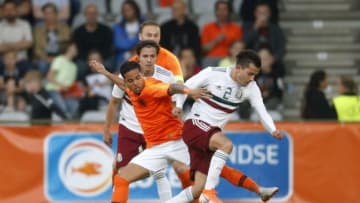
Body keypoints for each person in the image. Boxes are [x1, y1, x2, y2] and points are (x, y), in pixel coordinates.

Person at [167, 50, 282, 203]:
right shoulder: (212, 74)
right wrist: (180, 106)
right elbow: (184, 88)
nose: (252, 78)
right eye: (249, 73)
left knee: (197, 189)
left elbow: (262, 111)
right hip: (195, 124)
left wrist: (273, 129)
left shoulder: (251, 87)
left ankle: (254, 190)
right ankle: (211, 190)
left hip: (209, 135)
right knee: (226, 145)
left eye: (255, 75)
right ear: (238, 67)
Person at [89, 59, 208, 203]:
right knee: (121, 178)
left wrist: (189, 91)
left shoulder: (152, 88)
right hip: (156, 148)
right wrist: (104, 72)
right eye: (131, 81)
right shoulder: (130, 89)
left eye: (138, 78)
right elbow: (120, 82)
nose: (136, 83)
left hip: (176, 142)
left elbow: (172, 88)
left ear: (142, 75)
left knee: (203, 180)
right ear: (127, 83)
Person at [103, 40, 189, 200]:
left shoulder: (166, 76)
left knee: (161, 171)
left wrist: (179, 119)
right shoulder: (127, 74)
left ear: (157, 57)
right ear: (139, 58)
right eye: (145, 56)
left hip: (156, 131)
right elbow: (114, 101)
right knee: (121, 173)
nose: (148, 60)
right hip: (129, 128)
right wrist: (106, 129)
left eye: (152, 56)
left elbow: (175, 103)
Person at [72, 4, 114, 79]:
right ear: (85, 15)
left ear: (97, 15)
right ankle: (84, 87)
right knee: (80, 67)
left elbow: (108, 47)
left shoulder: (106, 30)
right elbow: (78, 50)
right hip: (85, 59)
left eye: (94, 13)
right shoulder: (78, 32)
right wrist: (91, 59)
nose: (91, 16)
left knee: (110, 64)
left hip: (103, 57)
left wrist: (98, 58)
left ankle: (109, 85)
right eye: (89, 13)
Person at [201, 0, 243, 67]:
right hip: (211, 58)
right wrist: (216, 40)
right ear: (215, 12)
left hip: (230, 59)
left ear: (229, 12)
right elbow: (204, 49)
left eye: (224, 9)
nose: (222, 12)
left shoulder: (236, 28)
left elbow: (239, 47)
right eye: (219, 9)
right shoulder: (207, 27)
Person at [33, 2, 70, 74]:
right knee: (42, 65)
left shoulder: (65, 28)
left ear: (56, 14)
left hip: (61, 57)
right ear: (43, 15)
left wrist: (58, 59)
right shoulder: (38, 30)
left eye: (51, 13)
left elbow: (67, 45)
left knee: (64, 64)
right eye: (46, 13)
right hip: (44, 58)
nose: (48, 15)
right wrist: (46, 58)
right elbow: (37, 49)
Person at [113, 0, 144, 67]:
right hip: (123, 59)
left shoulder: (144, 24)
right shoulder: (118, 26)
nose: (126, 12)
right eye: (124, 10)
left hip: (142, 56)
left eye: (129, 10)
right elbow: (119, 44)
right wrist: (136, 42)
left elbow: (146, 41)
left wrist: (135, 48)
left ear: (135, 10)